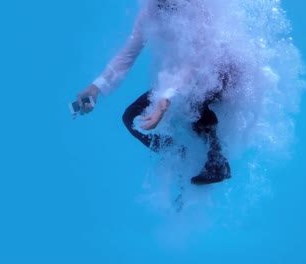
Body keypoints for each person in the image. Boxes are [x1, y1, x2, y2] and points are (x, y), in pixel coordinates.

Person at [74, 0, 238, 185]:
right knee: (131, 117)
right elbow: (129, 52)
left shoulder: (195, 7)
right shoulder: (149, 11)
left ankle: (217, 162)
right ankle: (178, 154)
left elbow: (197, 60)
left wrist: (165, 99)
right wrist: (96, 87)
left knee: (192, 99)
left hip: (223, 70)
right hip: (183, 80)